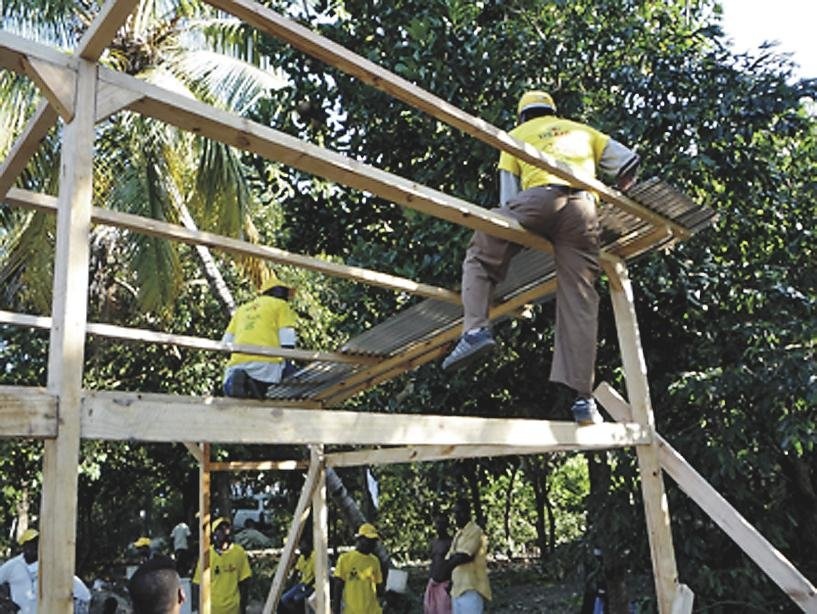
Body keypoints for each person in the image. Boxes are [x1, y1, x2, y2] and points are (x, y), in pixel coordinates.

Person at [442, 90, 640, 425]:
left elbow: (508, 200)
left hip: (538, 199)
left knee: (480, 253)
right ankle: (583, 400)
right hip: (583, 211)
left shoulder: (515, 137)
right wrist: (620, 190)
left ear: (522, 117)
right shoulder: (582, 130)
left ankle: (475, 331)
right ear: (553, 113)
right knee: (580, 298)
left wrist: (519, 236)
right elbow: (628, 162)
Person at [222, 272, 298, 399]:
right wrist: (290, 368)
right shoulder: (281, 306)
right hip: (266, 366)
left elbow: (225, 345)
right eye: (285, 294)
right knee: (290, 376)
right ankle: (254, 386)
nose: (286, 298)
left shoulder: (242, 309)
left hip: (236, 365)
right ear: (278, 294)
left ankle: (243, 383)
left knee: (230, 385)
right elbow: (288, 342)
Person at [0, 528, 92, 613]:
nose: (35, 547)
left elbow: (84, 595)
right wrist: (6, 602)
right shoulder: (12, 566)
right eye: (30, 543)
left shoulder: (51, 567)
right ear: (24, 546)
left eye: (37, 543)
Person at [192, 517, 252, 614]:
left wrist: (243, 607)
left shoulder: (238, 552)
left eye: (226, 528)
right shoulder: (207, 555)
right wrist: (199, 609)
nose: (223, 532)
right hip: (212, 609)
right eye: (220, 529)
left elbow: (244, 581)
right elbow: (198, 583)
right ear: (214, 533)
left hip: (233, 608)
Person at [444, 500, 491, 614]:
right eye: (455, 513)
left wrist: (451, 562)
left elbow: (464, 556)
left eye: (459, 513)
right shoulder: (458, 534)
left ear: (467, 513)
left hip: (471, 587)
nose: (456, 517)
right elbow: (450, 558)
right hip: (457, 589)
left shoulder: (475, 531)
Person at [332, 523, 383, 614]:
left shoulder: (375, 561)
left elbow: (379, 587)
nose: (371, 544)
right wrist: (336, 611)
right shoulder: (345, 559)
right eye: (368, 540)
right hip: (353, 611)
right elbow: (338, 586)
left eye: (374, 541)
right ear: (360, 539)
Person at [423, 512, 453, 614]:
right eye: (438, 523)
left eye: (442, 523)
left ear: (447, 525)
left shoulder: (451, 542)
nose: (439, 526)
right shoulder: (433, 542)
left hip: (445, 584)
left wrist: (451, 584)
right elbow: (433, 562)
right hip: (433, 582)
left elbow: (453, 563)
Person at [278, 534, 315, 614]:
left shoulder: (315, 557)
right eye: (300, 545)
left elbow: (317, 577)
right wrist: (290, 585)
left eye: (303, 546)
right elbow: (296, 571)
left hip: (313, 586)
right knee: (284, 599)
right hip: (302, 584)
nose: (301, 548)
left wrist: (307, 587)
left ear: (309, 547)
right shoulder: (302, 557)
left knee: (297, 599)